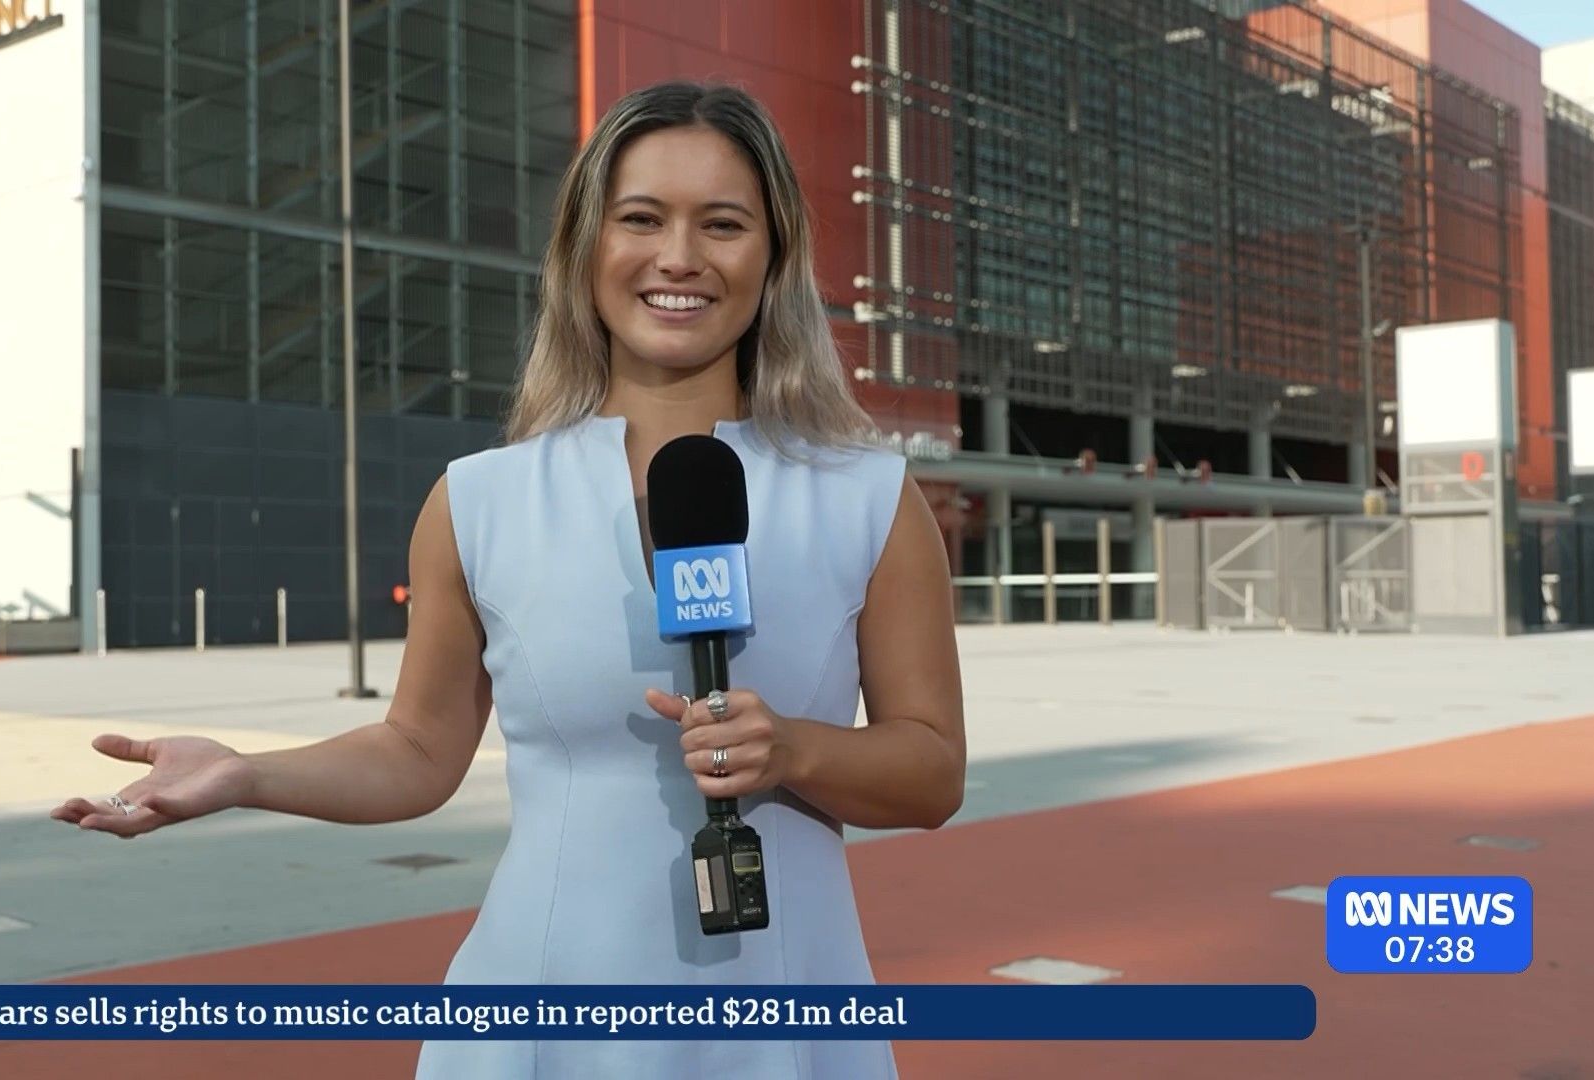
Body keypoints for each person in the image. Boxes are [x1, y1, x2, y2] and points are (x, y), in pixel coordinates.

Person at [52, 80, 965, 1079]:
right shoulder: (477, 501)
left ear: (775, 255)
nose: (679, 257)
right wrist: (246, 774)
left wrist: (793, 747)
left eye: (723, 224)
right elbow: (416, 750)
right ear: (584, 246)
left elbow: (932, 772)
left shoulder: (870, 498)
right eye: (641, 218)